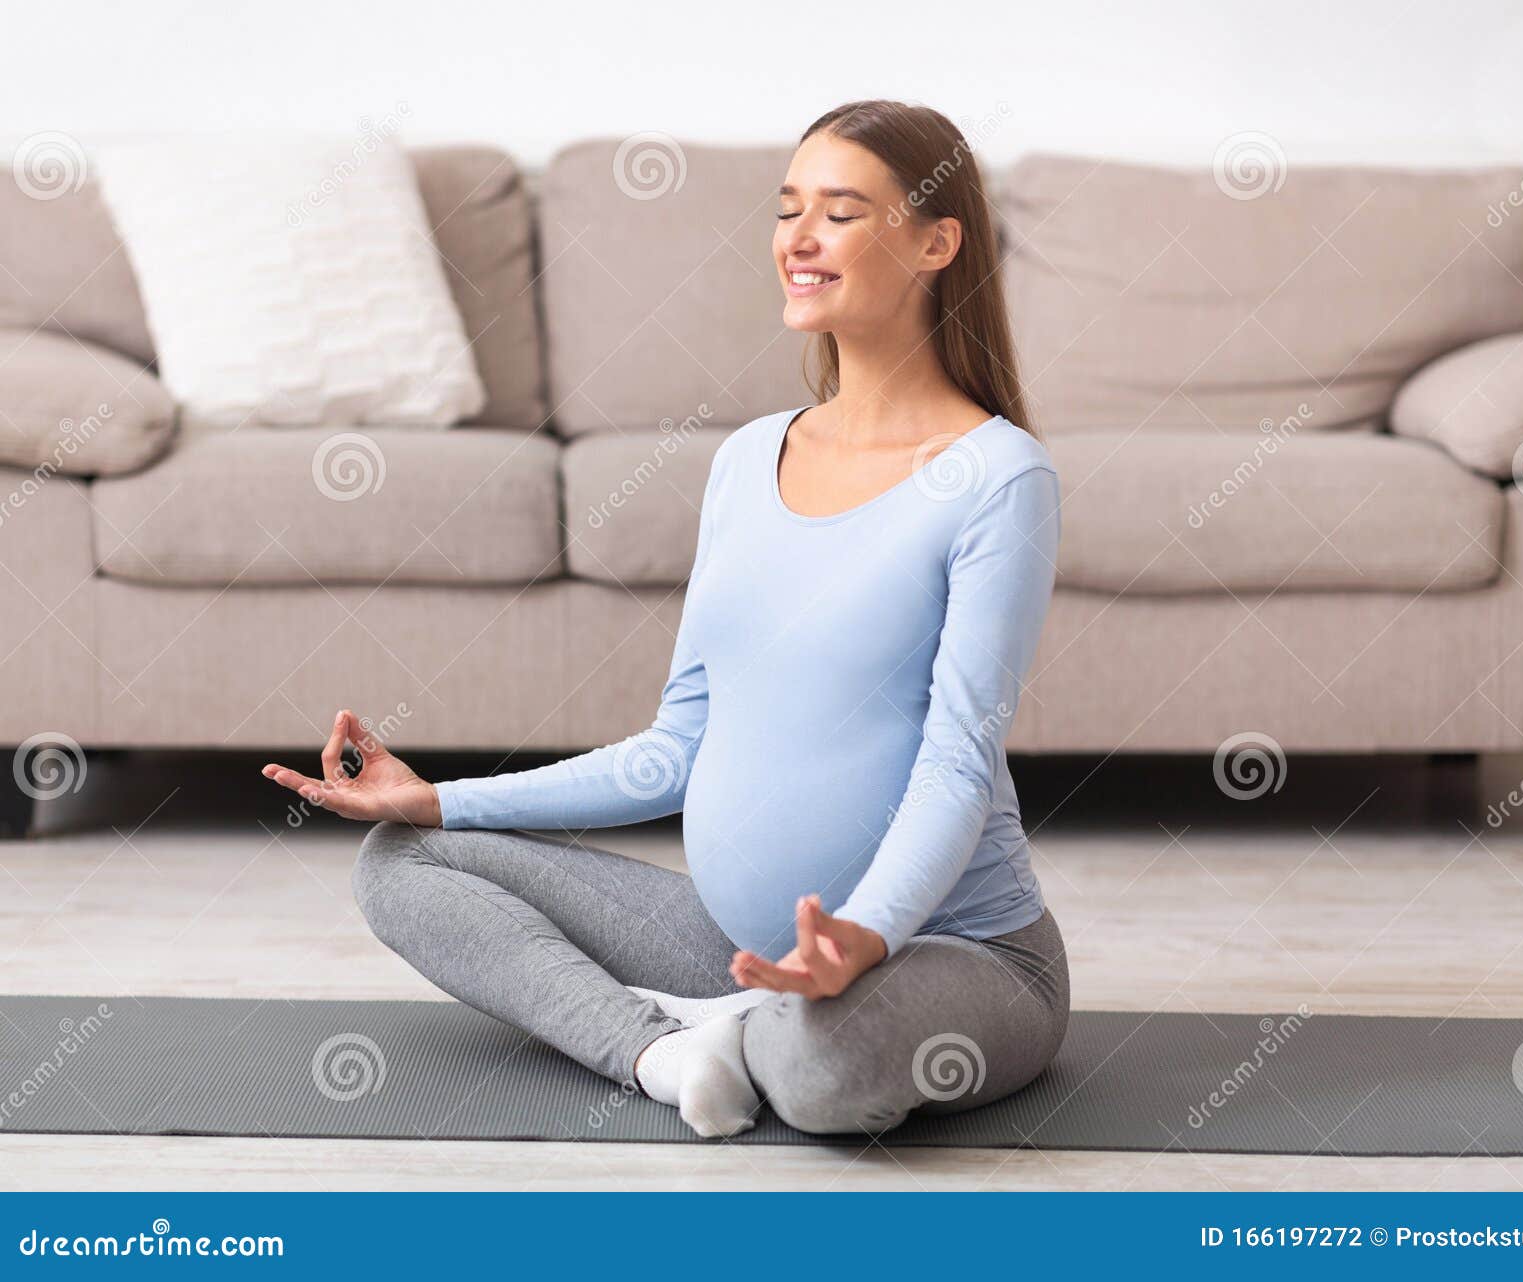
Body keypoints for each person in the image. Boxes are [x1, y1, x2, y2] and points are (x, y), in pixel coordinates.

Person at [262, 99, 1069, 1138]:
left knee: (822, 1071)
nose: (799, 240)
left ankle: (745, 1033)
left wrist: (863, 936)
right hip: (735, 942)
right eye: (787, 212)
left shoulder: (998, 475)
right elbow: (674, 749)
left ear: (934, 240)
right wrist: (439, 798)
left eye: (840, 212)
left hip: (950, 954)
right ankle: (666, 1051)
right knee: (406, 865)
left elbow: (959, 763)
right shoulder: (746, 459)